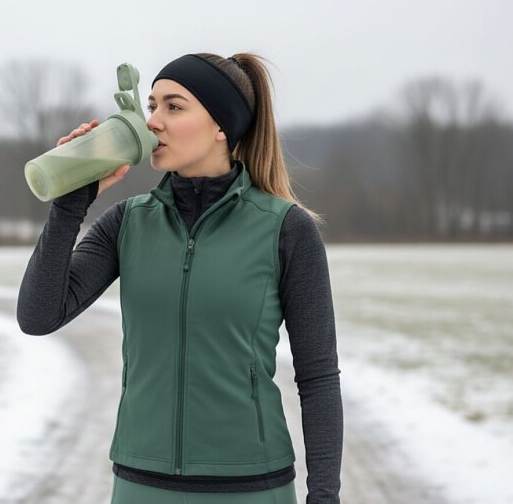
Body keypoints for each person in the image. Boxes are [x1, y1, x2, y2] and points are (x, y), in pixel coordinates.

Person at [17, 52, 342, 504]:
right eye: (151, 106)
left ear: (221, 126)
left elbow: (319, 376)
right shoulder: (126, 223)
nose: (152, 122)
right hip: (140, 485)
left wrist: (324, 496)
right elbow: (38, 315)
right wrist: (71, 204)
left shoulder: (286, 229)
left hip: (252, 487)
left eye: (174, 106)